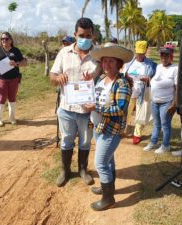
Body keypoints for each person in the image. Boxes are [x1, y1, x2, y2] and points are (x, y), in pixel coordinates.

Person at [49, 17, 101, 187]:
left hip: (87, 110)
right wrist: (58, 77)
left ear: (93, 35)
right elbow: (52, 76)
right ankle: (65, 170)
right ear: (74, 34)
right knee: (67, 140)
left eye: (88, 35)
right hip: (66, 107)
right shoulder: (64, 53)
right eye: (81, 35)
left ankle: (83, 170)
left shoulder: (99, 55)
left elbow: (107, 75)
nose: (85, 39)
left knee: (85, 141)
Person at [86, 42, 133, 211]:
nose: (106, 65)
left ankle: (108, 199)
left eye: (111, 62)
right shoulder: (100, 79)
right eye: (104, 61)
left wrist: (96, 108)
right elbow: (94, 95)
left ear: (119, 64)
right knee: (109, 160)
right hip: (99, 126)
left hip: (111, 130)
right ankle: (108, 188)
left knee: (100, 164)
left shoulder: (122, 84)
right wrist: (87, 85)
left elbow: (120, 109)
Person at [143, 48, 178, 154]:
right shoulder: (158, 67)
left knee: (165, 125)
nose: (164, 58)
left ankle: (165, 146)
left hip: (166, 102)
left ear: (170, 57)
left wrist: (174, 103)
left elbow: (177, 87)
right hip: (154, 101)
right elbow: (156, 81)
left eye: (166, 56)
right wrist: (148, 80)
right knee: (156, 124)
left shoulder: (175, 68)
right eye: (162, 56)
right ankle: (153, 142)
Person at [122, 40, 157, 144]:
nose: (140, 55)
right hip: (130, 91)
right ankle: (122, 130)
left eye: (142, 53)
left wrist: (148, 79)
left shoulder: (151, 65)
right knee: (125, 111)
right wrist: (127, 77)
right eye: (138, 53)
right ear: (135, 50)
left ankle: (137, 134)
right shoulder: (128, 63)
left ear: (146, 50)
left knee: (141, 112)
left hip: (143, 92)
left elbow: (156, 79)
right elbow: (122, 75)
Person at [0, 32, 27, 127]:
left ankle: (12, 117)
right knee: (1, 98)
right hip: (2, 79)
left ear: (11, 40)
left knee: (12, 97)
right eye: (2, 39)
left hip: (14, 79)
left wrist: (16, 64)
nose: (4, 40)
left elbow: (24, 62)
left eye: (6, 39)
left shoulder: (16, 50)